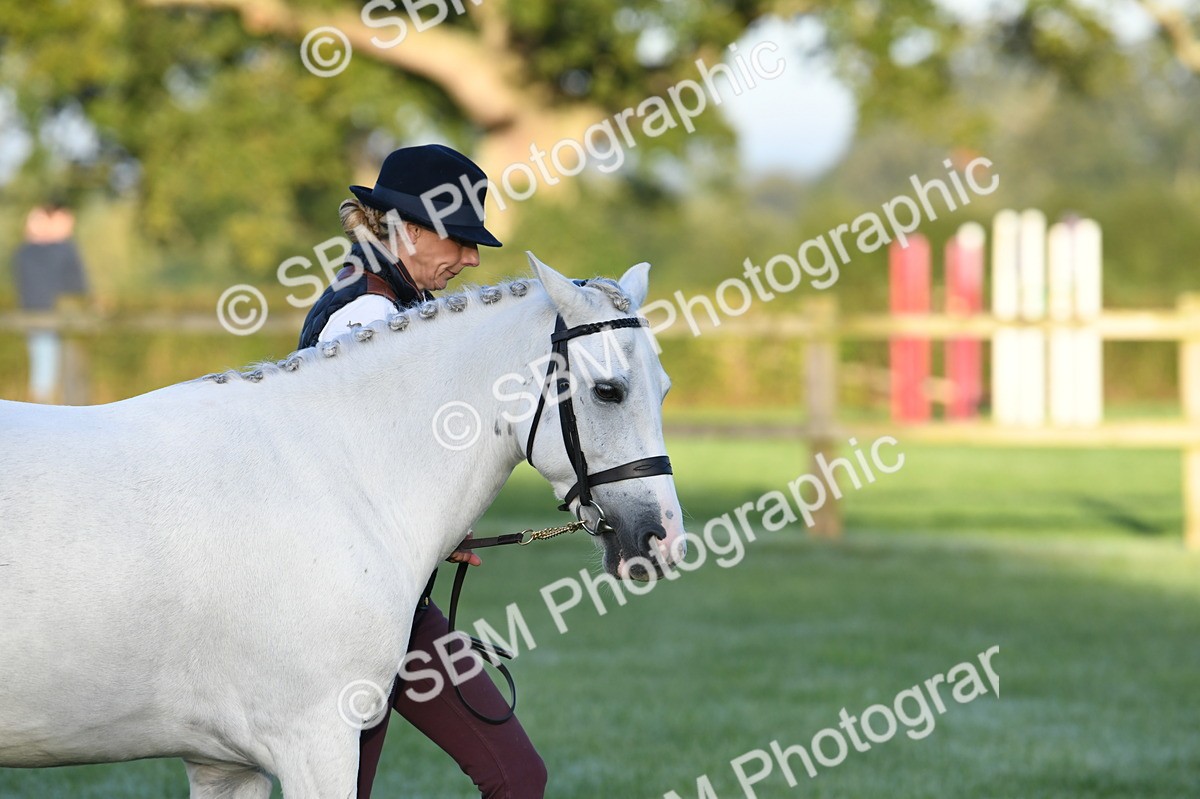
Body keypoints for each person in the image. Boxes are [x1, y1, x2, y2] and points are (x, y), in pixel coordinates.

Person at [298, 144, 547, 799]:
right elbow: (341, 469)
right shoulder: (367, 316)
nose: (470, 259)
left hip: (395, 603)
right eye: (459, 240)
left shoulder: (397, 304)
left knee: (517, 776)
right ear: (404, 226)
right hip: (344, 611)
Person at [12, 201, 89, 403]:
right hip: (46, 317)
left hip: (64, 319)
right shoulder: (40, 251)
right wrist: (36, 233)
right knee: (45, 372)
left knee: (57, 372)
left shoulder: (58, 250)